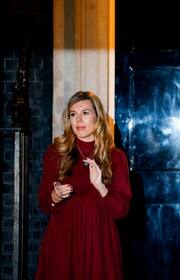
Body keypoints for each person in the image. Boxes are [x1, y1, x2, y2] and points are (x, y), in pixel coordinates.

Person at [36, 91, 132, 280]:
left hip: (100, 240)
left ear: (97, 117)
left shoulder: (116, 157)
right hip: (64, 238)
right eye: (73, 114)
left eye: (85, 113)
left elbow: (121, 210)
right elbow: (45, 203)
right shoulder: (56, 152)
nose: (78, 119)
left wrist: (101, 187)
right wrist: (55, 196)